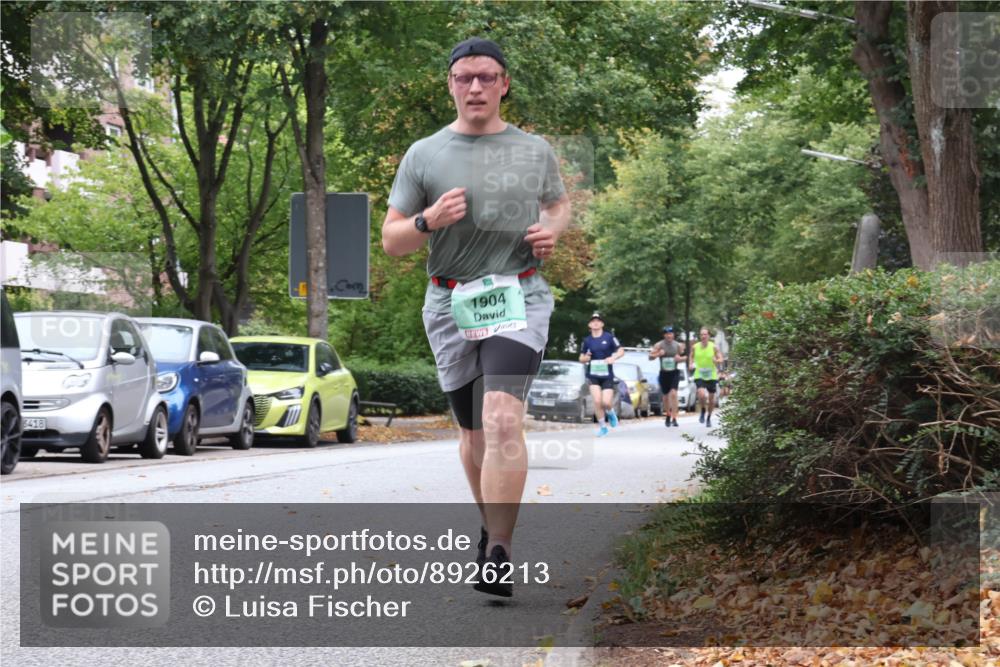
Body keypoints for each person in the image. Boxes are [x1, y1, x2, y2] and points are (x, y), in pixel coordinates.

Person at [382, 37, 570, 598]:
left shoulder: (533, 150)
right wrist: (428, 220)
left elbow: (557, 204)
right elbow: (392, 241)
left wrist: (551, 231)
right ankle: (490, 526)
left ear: (504, 84)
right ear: (451, 85)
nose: (476, 87)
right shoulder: (424, 154)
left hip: (518, 296)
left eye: (487, 77)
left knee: (502, 417)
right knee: (473, 431)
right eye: (464, 77)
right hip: (450, 303)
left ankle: (499, 552)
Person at [579, 313, 624, 437]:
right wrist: (585, 358)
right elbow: (581, 358)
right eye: (593, 321)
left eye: (598, 321)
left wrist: (613, 357)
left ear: (602, 324)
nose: (595, 323)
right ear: (589, 324)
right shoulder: (587, 340)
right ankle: (603, 427)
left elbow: (621, 351)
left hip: (607, 375)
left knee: (606, 402)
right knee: (597, 401)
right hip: (593, 375)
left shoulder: (609, 337)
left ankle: (611, 412)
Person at [688, 327, 724, 427]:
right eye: (701, 334)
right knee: (702, 394)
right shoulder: (695, 346)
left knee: (712, 399)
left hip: (711, 375)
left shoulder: (714, 347)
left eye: (705, 334)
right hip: (699, 373)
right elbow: (691, 356)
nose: (703, 336)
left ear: (709, 336)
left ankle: (708, 417)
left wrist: (717, 361)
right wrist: (690, 364)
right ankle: (703, 410)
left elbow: (721, 359)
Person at [649, 326, 685, 427]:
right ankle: (668, 414)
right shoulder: (659, 345)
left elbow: (685, 357)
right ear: (664, 335)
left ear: (673, 335)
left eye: (670, 334)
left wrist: (680, 359)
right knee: (665, 396)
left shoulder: (678, 345)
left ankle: (674, 417)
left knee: (673, 394)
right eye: (667, 334)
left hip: (674, 372)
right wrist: (658, 354)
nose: (669, 336)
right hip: (664, 373)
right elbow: (650, 357)